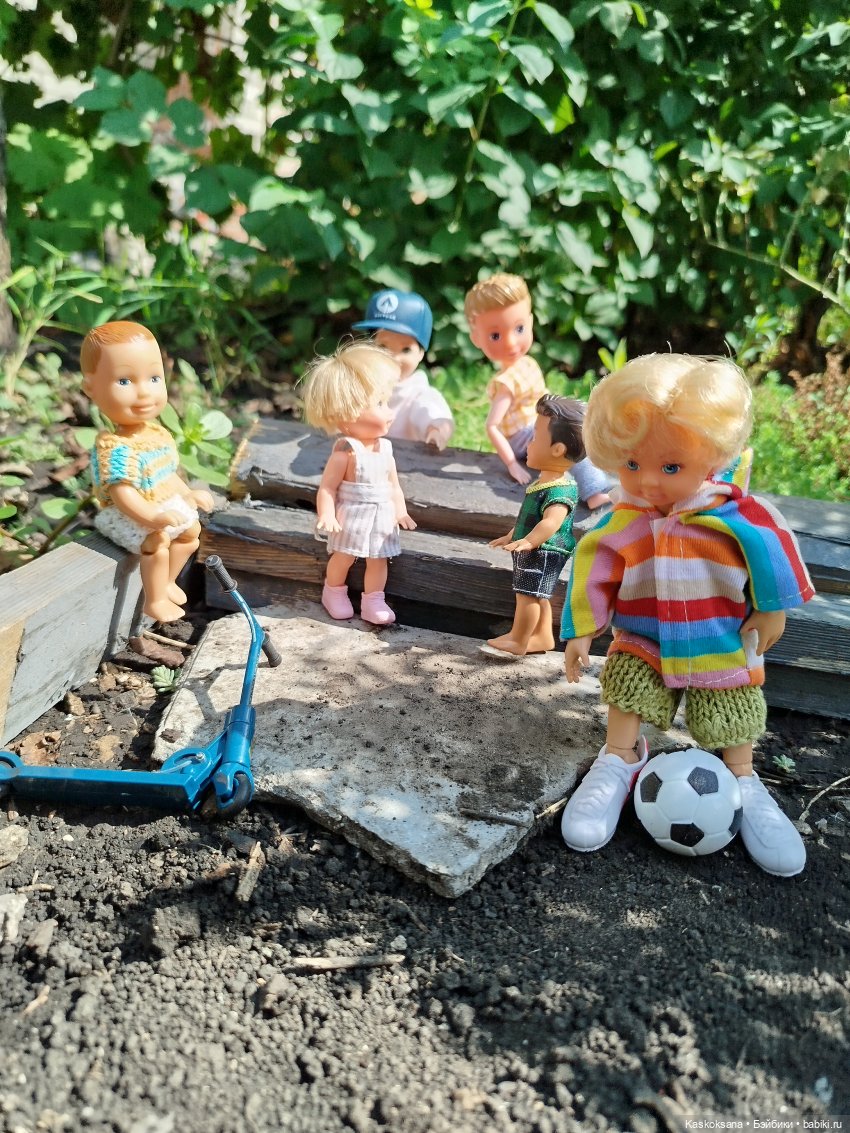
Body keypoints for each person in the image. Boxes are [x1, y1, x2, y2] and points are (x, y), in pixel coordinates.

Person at [560, 354, 815, 877]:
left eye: (671, 467)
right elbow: (593, 564)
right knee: (627, 690)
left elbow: (774, 553)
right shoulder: (625, 519)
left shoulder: (735, 515)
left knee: (734, 709)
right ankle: (619, 758)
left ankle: (742, 777)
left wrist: (772, 610)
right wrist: (583, 627)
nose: (649, 482)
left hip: (720, 639)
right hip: (644, 638)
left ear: (714, 456)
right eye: (632, 465)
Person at [81, 321, 213, 624]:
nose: (144, 393)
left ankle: (167, 581)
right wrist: (152, 517)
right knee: (157, 541)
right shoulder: (117, 449)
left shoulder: (156, 434)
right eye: (124, 381)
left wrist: (188, 494)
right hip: (124, 514)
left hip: (158, 505)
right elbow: (123, 494)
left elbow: (166, 474)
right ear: (91, 388)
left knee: (191, 533)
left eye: (154, 378)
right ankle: (154, 601)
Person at [464, 272, 611, 512]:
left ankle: (605, 461)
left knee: (582, 414)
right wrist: (512, 464)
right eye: (495, 336)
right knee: (569, 436)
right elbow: (492, 426)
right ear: (476, 339)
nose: (511, 343)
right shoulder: (506, 383)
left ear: (531, 322)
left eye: (519, 328)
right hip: (522, 435)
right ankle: (595, 492)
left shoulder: (529, 363)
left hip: (539, 422)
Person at [301, 341, 417, 626]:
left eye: (386, 402)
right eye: (379, 404)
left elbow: (393, 486)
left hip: (382, 515)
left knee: (379, 559)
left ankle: (373, 600)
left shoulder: (386, 449)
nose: (389, 411)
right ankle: (333, 591)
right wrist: (327, 514)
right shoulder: (346, 452)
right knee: (344, 555)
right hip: (352, 514)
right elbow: (327, 488)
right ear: (346, 414)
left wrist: (401, 511)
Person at [483, 395, 584, 658]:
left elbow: (551, 521)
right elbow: (530, 520)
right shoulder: (545, 483)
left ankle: (519, 639)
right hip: (535, 547)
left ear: (557, 449)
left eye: (535, 437)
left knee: (526, 595)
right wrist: (513, 535)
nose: (528, 443)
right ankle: (542, 636)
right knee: (539, 594)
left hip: (545, 550)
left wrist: (530, 541)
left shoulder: (560, 489)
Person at [353, 289, 454, 451]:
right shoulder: (360, 384)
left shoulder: (417, 394)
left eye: (406, 349)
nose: (393, 357)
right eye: (382, 347)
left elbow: (432, 413)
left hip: (403, 459)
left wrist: (436, 430)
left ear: (421, 353)